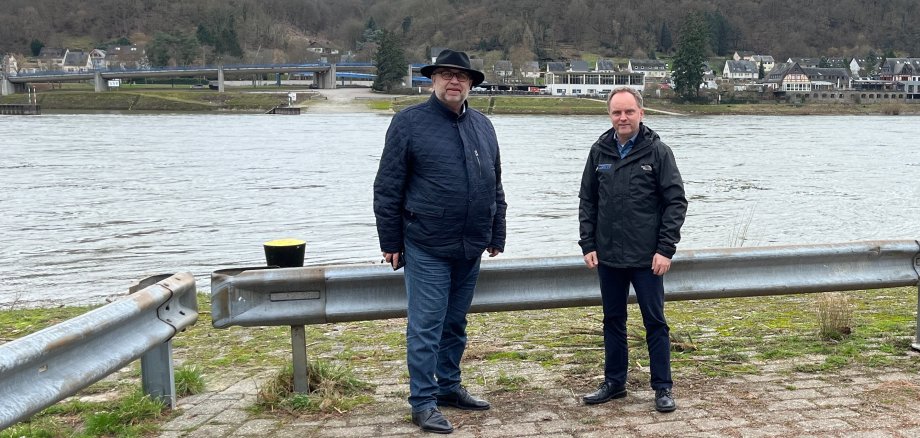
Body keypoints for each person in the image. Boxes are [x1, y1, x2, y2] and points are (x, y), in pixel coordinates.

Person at [373, 49, 507, 434]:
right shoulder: (408, 123)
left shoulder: (483, 125)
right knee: (426, 326)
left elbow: (494, 183)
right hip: (426, 243)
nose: (454, 81)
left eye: (461, 76)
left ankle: (448, 387)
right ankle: (422, 402)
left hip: (470, 245)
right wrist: (390, 239)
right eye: (446, 75)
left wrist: (497, 231)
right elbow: (387, 187)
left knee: (455, 324)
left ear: (471, 84)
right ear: (432, 80)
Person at [577, 86, 687, 413]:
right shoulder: (599, 151)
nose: (622, 118)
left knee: (655, 322)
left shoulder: (658, 152)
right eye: (616, 112)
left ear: (641, 112)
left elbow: (676, 203)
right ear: (609, 115)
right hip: (608, 255)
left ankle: (662, 388)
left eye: (628, 112)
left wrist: (666, 249)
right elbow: (587, 201)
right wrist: (588, 243)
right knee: (613, 320)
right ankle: (614, 383)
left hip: (647, 257)